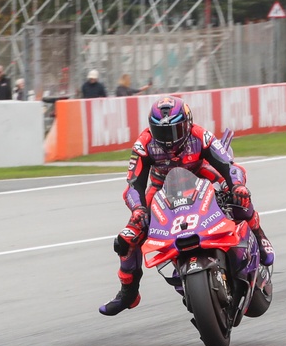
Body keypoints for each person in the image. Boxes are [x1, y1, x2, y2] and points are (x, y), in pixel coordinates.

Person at [100, 96, 273, 316]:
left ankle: (259, 235)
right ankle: (129, 293)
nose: (169, 139)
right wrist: (138, 210)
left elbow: (229, 167)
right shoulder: (143, 144)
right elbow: (133, 186)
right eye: (162, 132)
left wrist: (237, 185)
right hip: (162, 185)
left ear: (188, 123)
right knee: (127, 239)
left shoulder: (200, 135)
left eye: (174, 130)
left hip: (202, 173)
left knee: (238, 195)